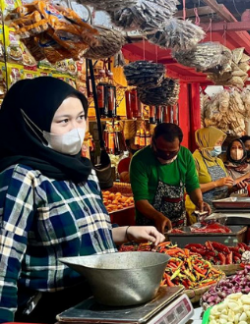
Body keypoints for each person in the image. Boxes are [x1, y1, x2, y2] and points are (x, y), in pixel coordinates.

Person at [0, 78, 164, 323]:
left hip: (97, 298)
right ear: (32, 124)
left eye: (80, 118)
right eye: (63, 121)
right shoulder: (22, 177)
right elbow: (4, 262)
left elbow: (86, 236)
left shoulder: (83, 172)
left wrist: (128, 232)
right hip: (50, 309)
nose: (76, 129)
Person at [130, 123, 206, 233]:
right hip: (150, 226)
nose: (167, 155)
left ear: (179, 145)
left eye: (172, 152)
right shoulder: (140, 160)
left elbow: (192, 185)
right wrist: (157, 217)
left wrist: (199, 202)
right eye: (162, 151)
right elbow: (141, 200)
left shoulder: (185, 155)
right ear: (153, 143)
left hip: (179, 224)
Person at [186, 127, 234, 213]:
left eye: (221, 143)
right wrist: (216, 183)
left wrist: (234, 187)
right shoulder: (194, 160)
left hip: (222, 209)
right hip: (205, 210)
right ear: (207, 141)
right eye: (218, 143)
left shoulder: (218, 160)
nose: (219, 146)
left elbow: (225, 185)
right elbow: (191, 188)